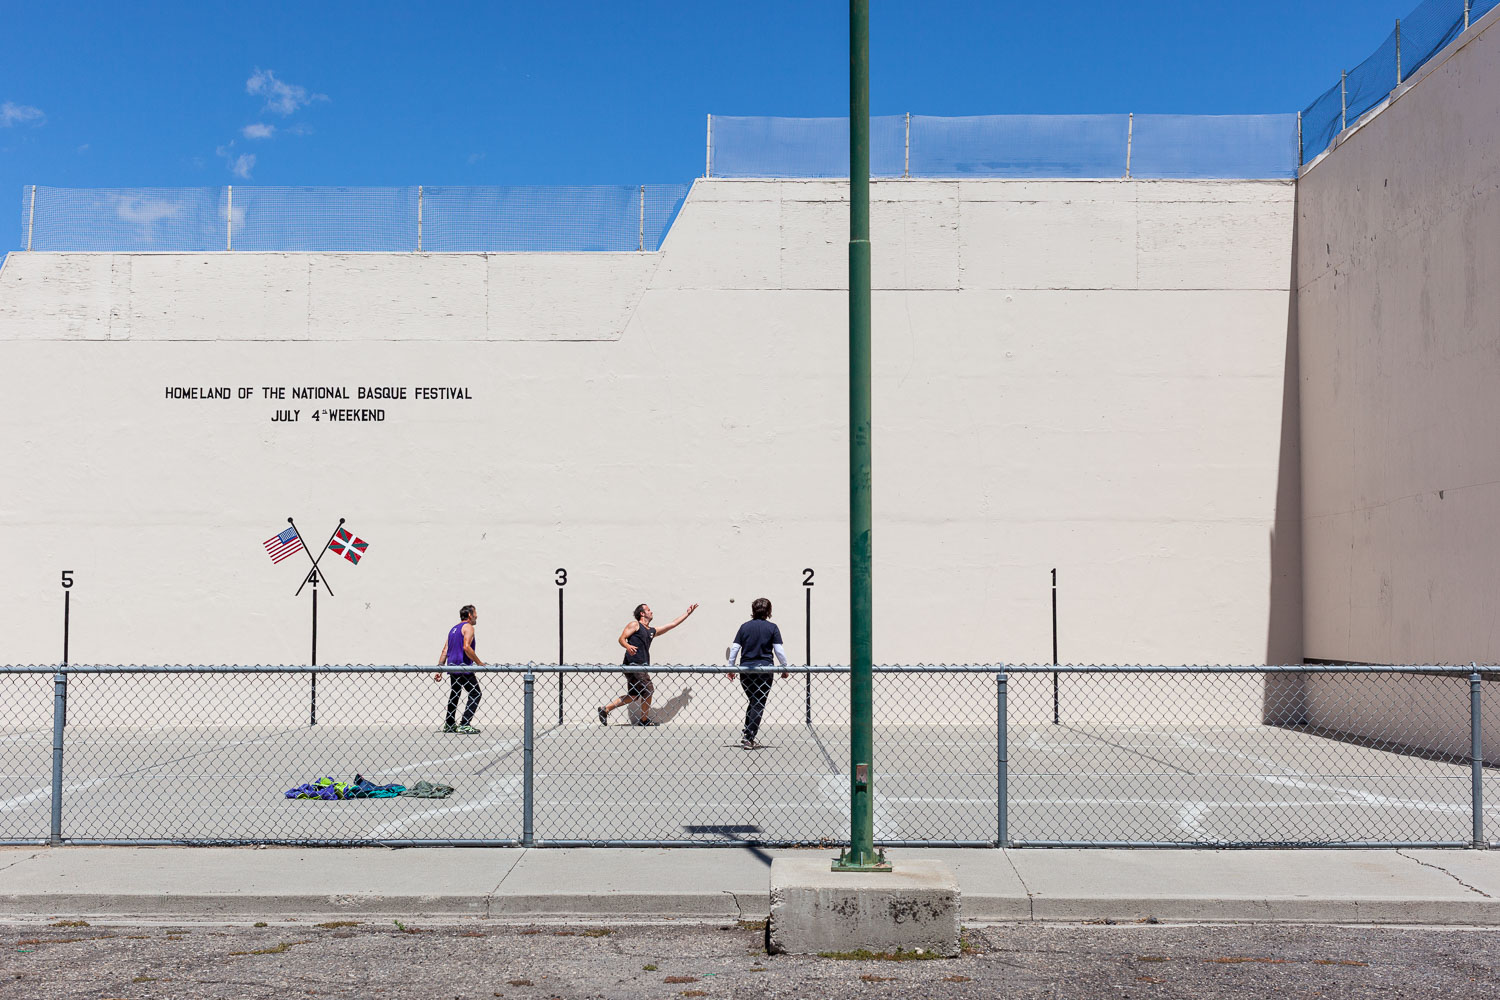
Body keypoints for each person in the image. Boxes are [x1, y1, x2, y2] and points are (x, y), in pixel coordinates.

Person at [598, 601, 698, 726]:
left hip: (639, 666)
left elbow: (672, 624)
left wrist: (687, 614)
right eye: (648, 610)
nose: (651, 612)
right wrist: (628, 646)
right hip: (634, 664)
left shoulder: (651, 631)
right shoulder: (635, 625)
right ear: (642, 613)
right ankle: (644, 720)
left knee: (634, 695)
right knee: (648, 689)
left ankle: (605, 709)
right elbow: (621, 639)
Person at [725, 597, 790, 749]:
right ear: (769, 611)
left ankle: (747, 732)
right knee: (759, 702)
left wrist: (731, 667)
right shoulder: (772, 627)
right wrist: (785, 667)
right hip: (765, 671)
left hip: (745, 671)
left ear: (753, 611)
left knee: (754, 700)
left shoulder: (744, 627)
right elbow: (779, 650)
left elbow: (734, 648)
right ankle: (749, 737)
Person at [433, 604, 485, 734]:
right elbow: (466, 647)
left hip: (452, 667)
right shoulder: (468, 627)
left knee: (455, 694)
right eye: (475, 613)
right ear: (469, 615)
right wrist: (479, 663)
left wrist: (440, 668)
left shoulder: (453, 630)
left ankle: (449, 724)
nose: (476, 616)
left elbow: (445, 650)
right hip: (463, 667)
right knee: (475, 693)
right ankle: (465, 723)